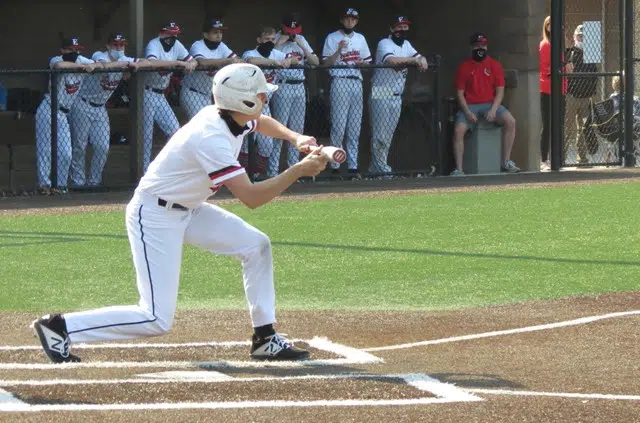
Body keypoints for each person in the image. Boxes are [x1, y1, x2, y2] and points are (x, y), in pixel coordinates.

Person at [30, 63, 330, 363]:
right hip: (155, 216)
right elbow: (251, 197)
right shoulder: (211, 137)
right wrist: (298, 171)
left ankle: (265, 338)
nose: (265, 99)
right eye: (260, 96)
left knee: (257, 245)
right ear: (244, 101)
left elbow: (261, 122)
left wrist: (295, 137)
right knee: (155, 318)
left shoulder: (230, 116)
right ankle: (60, 327)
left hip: (189, 209)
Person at [69, 32, 150, 187]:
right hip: (82, 103)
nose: (119, 48)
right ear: (108, 46)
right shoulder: (100, 55)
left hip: (100, 108)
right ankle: (78, 183)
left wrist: (136, 64)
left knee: (102, 146)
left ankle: (94, 182)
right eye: (115, 45)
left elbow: (146, 63)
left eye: (121, 45)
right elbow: (105, 66)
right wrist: (126, 65)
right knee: (79, 145)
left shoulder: (125, 59)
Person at [35, 35, 100, 195]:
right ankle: (44, 185)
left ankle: (61, 186)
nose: (74, 52)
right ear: (63, 50)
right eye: (70, 49)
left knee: (66, 153)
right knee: (45, 151)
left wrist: (93, 66)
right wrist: (82, 68)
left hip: (63, 114)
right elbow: (59, 65)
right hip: (48, 108)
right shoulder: (56, 59)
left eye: (77, 49)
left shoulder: (81, 60)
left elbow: (99, 64)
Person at [451, 32, 520, 176]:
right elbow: (459, 94)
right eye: (477, 46)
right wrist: (468, 112)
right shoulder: (464, 67)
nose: (480, 48)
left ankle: (506, 162)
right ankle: (459, 169)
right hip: (469, 106)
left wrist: (494, 110)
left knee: (511, 121)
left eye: (482, 45)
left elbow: (500, 92)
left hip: (489, 104)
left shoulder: (494, 65)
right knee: (458, 130)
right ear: (471, 48)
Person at [369, 15, 428, 176]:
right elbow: (393, 62)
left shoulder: (407, 45)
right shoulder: (384, 43)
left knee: (388, 136)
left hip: (397, 94)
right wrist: (414, 61)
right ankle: (381, 169)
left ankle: (377, 168)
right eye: (399, 27)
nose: (402, 30)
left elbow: (420, 57)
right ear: (391, 28)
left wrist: (422, 60)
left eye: (404, 27)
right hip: (381, 91)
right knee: (380, 135)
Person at [322, 8, 372, 178]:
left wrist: (360, 63)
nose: (350, 22)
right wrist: (338, 50)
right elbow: (326, 63)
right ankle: (335, 165)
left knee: (354, 128)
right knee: (339, 126)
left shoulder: (361, 38)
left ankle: (353, 166)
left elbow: (368, 63)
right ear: (342, 20)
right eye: (347, 19)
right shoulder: (332, 37)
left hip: (356, 81)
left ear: (356, 21)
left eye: (353, 19)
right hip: (340, 81)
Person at [143, 21, 198, 171]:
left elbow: (191, 60)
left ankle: (166, 167)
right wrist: (179, 63)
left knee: (175, 131)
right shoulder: (154, 44)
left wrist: (191, 63)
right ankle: (142, 172)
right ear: (161, 32)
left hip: (160, 95)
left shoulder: (177, 45)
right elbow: (153, 63)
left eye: (175, 34)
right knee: (145, 136)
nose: (172, 37)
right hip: (146, 92)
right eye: (169, 33)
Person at [243, 26, 296, 178]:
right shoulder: (250, 52)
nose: (270, 42)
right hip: (246, 105)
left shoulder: (276, 53)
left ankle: (257, 175)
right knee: (245, 143)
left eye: (273, 39)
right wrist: (274, 62)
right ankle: (243, 175)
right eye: (267, 39)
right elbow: (252, 60)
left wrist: (287, 60)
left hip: (264, 106)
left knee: (267, 144)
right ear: (259, 40)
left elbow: (295, 59)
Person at [271, 12, 319, 174]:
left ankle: (294, 169)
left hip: (299, 86)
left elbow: (316, 62)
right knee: (280, 130)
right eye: (289, 30)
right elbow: (268, 57)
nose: (292, 34)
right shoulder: (276, 38)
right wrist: (278, 44)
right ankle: (273, 170)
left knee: (297, 132)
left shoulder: (301, 39)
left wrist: (302, 45)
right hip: (282, 87)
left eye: (295, 30)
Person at [180, 18, 242, 120]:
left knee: (207, 125)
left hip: (207, 94)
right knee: (200, 125)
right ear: (205, 34)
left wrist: (236, 60)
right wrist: (227, 61)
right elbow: (202, 62)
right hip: (192, 92)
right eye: (215, 32)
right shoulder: (198, 45)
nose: (219, 35)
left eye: (221, 32)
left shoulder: (222, 46)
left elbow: (236, 59)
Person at [565, 24, 598, 165]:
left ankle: (582, 158)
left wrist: (592, 94)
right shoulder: (569, 53)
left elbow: (595, 74)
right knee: (566, 129)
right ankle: (561, 157)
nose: (582, 39)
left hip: (586, 97)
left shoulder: (591, 53)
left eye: (585, 36)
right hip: (570, 96)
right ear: (574, 37)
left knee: (583, 129)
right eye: (579, 36)